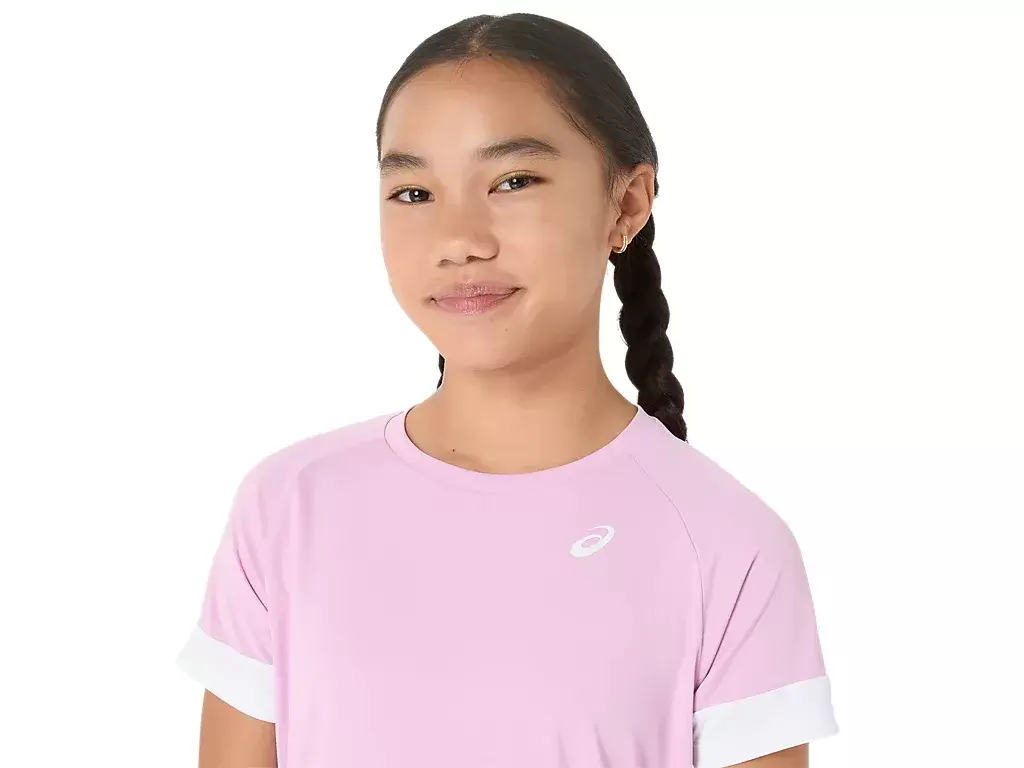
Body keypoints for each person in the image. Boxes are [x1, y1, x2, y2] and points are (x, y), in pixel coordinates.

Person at [175, 12, 839, 768]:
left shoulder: (729, 545)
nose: (459, 239)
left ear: (626, 204)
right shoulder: (289, 506)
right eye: (414, 192)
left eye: (513, 181)